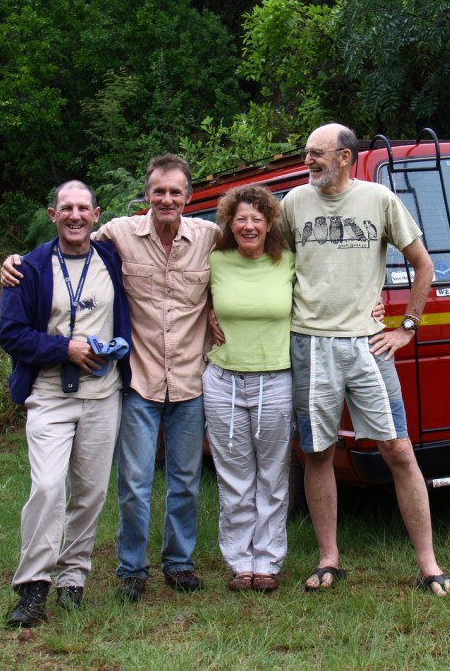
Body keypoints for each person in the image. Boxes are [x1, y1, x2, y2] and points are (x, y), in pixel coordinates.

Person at [2, 155, 218, 600]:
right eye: (158, 191)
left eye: (175, 192)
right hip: (137, 380)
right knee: (132, 485)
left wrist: (217, 307)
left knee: (184, 481)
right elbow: (66, 248)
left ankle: (177, 564)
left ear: (189, 197)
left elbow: (254, 256)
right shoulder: (118, 235)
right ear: (146, 196)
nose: (166, 199)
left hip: (188, 381)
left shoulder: (210, 237)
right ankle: (130, 571)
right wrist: (14, 262)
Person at [283, 123, 450, 596]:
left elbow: (424, 264)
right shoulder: (293, 204)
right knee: (317, 452)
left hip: (367, 344)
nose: (308, 161)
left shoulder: (379, 199)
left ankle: (429, 565)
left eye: (316, 154)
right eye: (306, 154)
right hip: (310, 344)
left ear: (345, 157)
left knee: (399, 450)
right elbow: (270, 266)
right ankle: (328, 559)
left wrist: (407, 327)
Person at [0, 180, 132, 627]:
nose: (75, 216)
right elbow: (11, 334)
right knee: (49, 488)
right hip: (51, 395)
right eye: (65, 208)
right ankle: (34, 586)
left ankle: (73, 580)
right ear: (53, 214)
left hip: (102, 394)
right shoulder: (28, 268)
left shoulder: (112, 259)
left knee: (90, 494)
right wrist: (64, 349)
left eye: (83, 208)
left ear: (97, 215)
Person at [204, 185, 295, 593]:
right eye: (240, 218)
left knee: (272, 476)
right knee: (235, 477)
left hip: (275, 380)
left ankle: (269, 562)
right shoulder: (215, 262)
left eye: (256, 218)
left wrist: (373, 305)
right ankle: (241, 562)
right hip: (223, 382)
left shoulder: (289, 262)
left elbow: (329, 290)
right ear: (229, 222)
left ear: (270, 223)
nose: (248, 225)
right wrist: (208, 311)